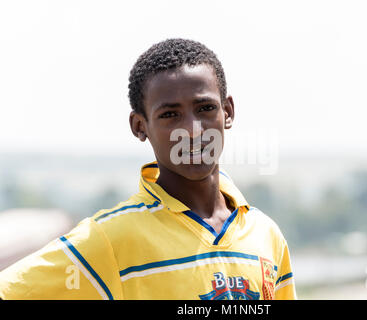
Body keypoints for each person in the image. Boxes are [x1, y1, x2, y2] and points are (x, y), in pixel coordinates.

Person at [0, 38, 296, 300]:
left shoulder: (265, 235)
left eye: (205, 108)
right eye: (170, 114)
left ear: (227, 112)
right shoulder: (110, 239)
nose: (192, 131)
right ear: (139, 126)